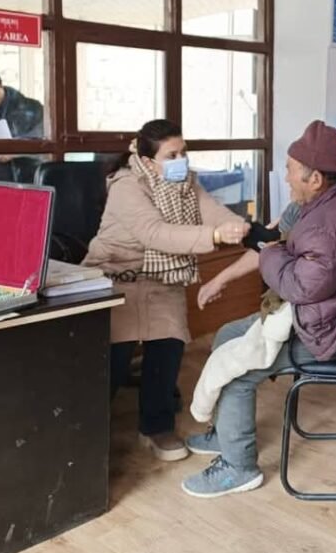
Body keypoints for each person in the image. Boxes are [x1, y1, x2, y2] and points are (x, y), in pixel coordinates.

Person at [181, 120, 336, 498]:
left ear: (315, 178)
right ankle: (227, 433)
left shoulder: (328, 224)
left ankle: (238, 468)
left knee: (238, 372)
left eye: (290, 170)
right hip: (324, 317)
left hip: (332, 332)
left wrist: (269, 252)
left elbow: (297, 284)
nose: (286, 177)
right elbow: (271, 240)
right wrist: (222, 277)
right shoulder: (318, 205)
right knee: (227, 335)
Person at [82, 119, 250, 462]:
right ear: (148, 160)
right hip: (116, 278)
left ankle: (156, 427)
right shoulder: (127, 185)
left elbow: (212, 212)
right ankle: (85, 431)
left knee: (169, 345)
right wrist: (214, 236)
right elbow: (154, 233)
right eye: (172, 155)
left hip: (162, 278)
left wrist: (237, 226)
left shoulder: (187, 182)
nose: (181, 160)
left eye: (183, 152)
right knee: (112, 360)